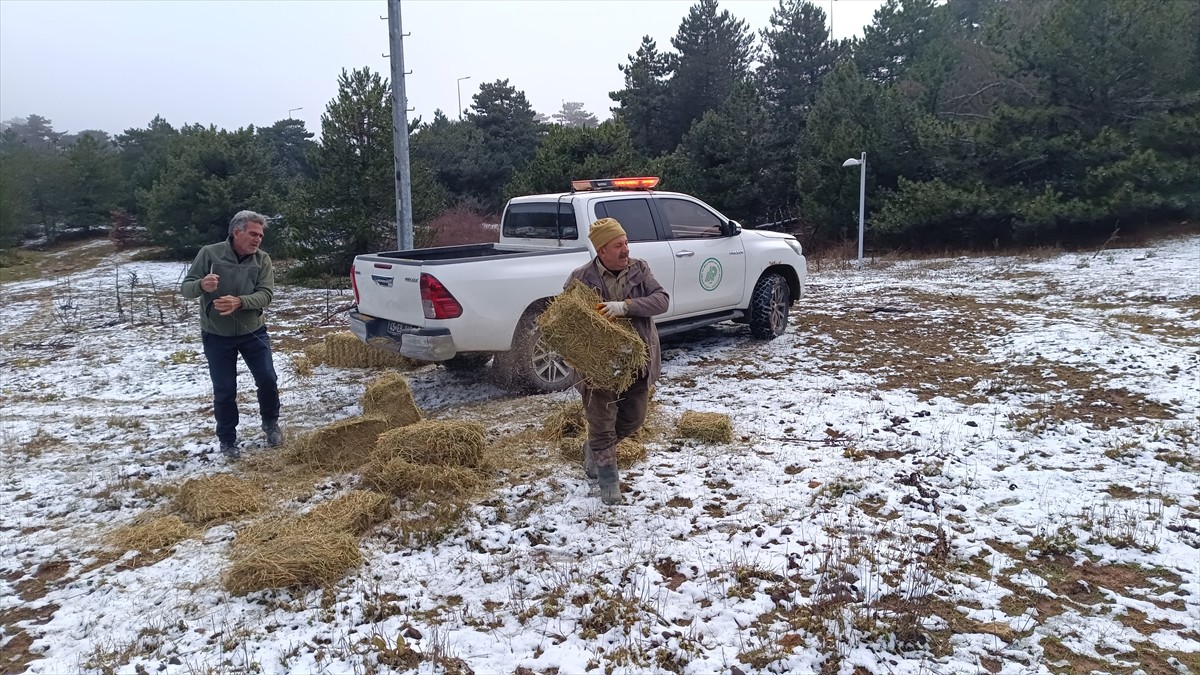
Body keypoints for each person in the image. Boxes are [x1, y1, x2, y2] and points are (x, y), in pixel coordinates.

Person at [565, 218, 669, 505]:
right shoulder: (580, 279)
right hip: (597, 367)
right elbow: (565, 322)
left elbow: (662, 300)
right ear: (601, 251)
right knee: (601, 422)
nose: (626, 249)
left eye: (625, 242)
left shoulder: (639, 269)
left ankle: (594, 449)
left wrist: (626, 307)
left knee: (634, 420)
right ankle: (608, 482)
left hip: (636, 362)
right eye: (618, 245)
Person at [180, 210, 282, 458]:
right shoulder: (209, 253)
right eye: (253, 234)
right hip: (217, 335)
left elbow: (266, 295)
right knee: (225, 390)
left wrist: (240, 301)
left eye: (261, 235)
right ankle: (227, 440)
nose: (258, 239)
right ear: (236, 232)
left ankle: (270, 424)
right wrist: (202, 285)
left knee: (267, 379)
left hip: (253, 332)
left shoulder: (262, 259)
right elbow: (186, 288)